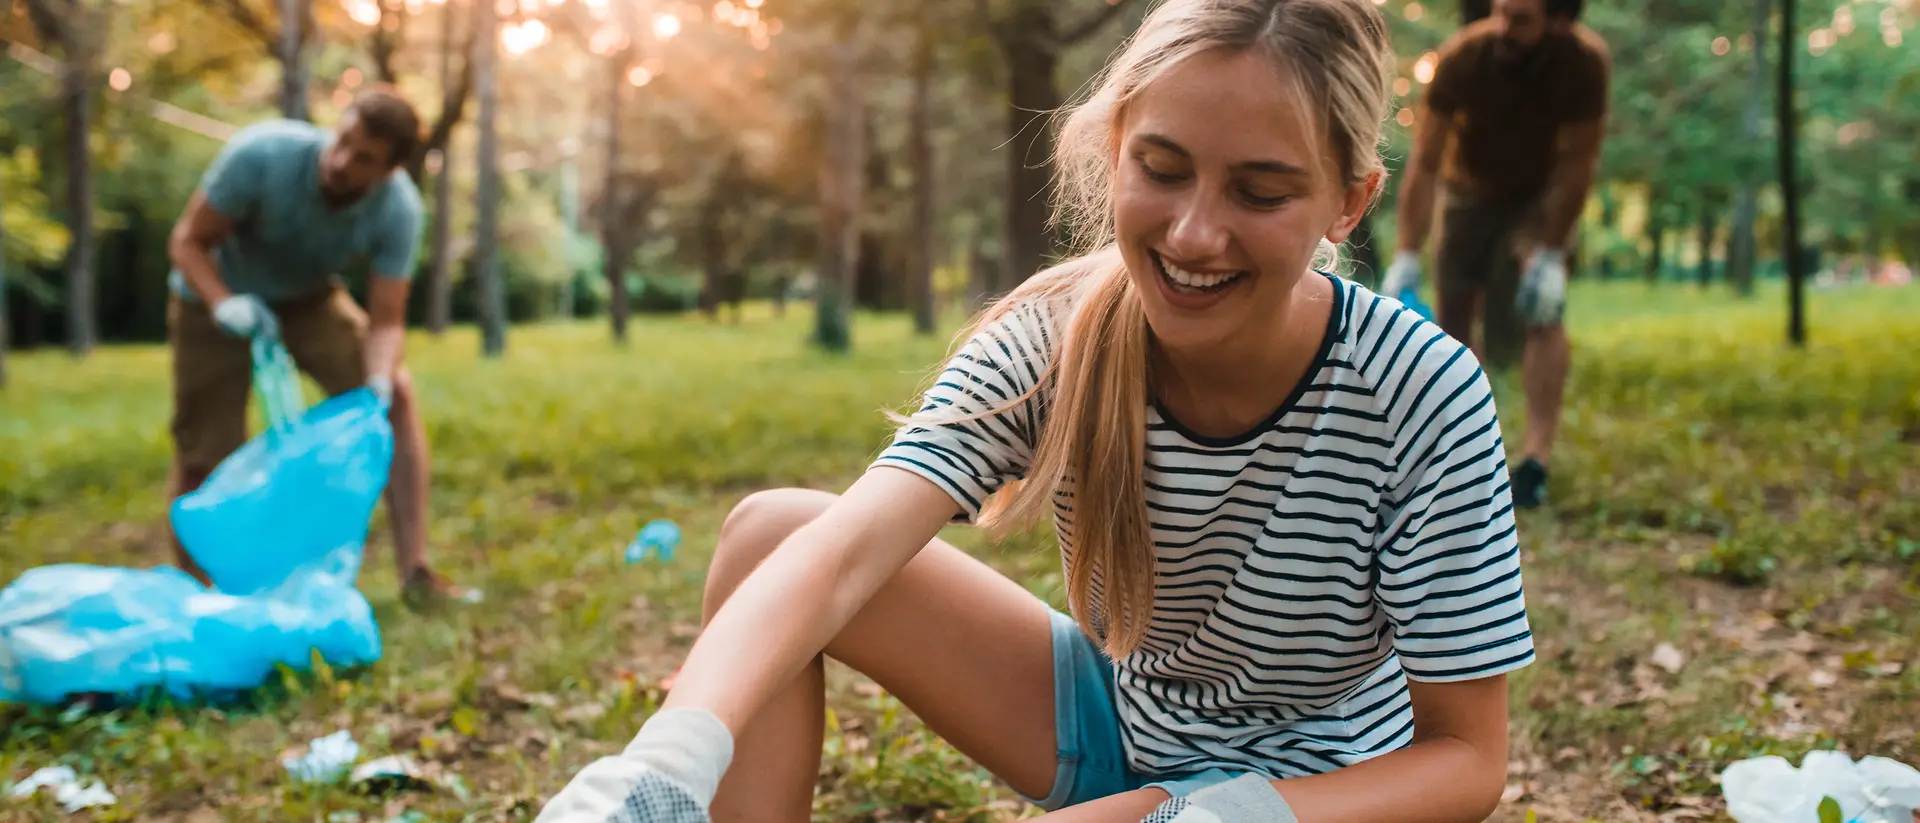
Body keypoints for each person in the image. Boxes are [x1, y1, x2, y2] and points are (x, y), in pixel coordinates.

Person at [534, 0, 1532, 821]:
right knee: (772, 535)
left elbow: (1465, 759)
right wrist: (663, 765)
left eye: (1261, 192)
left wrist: (1220, 816)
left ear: (1348, 202)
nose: (1196, 232)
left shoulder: (1419, 390)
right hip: (1117, 723)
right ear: (1114, 148)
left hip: (1312, 798)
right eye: (1164, 168)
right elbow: (844, 551)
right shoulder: (1055, 334)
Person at [164, 87, 467, 607]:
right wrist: (223, 304)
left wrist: (375, 381)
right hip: (213, 296)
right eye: (343, 140)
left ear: (390, 170)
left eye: (365, 158)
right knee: (204, 454)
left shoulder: (398, 211)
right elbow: (188, 240)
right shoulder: (262, 154)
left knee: (396, 394)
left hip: (308, 299)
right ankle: (200, 597)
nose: (343, 161)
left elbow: (387, 319)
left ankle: (416, 571)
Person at [1380, 0, 1611, 509]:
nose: (1504, 26)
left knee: (1543, 311)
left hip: (1541, 194)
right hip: (1469, 191)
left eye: (1521, 19)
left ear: (1557, 20)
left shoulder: (1583, 63)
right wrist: (1407, 253)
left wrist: (1550, 253)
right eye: (1501, 11)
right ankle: (1458, 455)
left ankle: (1534, 461)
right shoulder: (1464, 55)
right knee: (1453, 321)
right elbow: (1425, 161)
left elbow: (1580, 161)